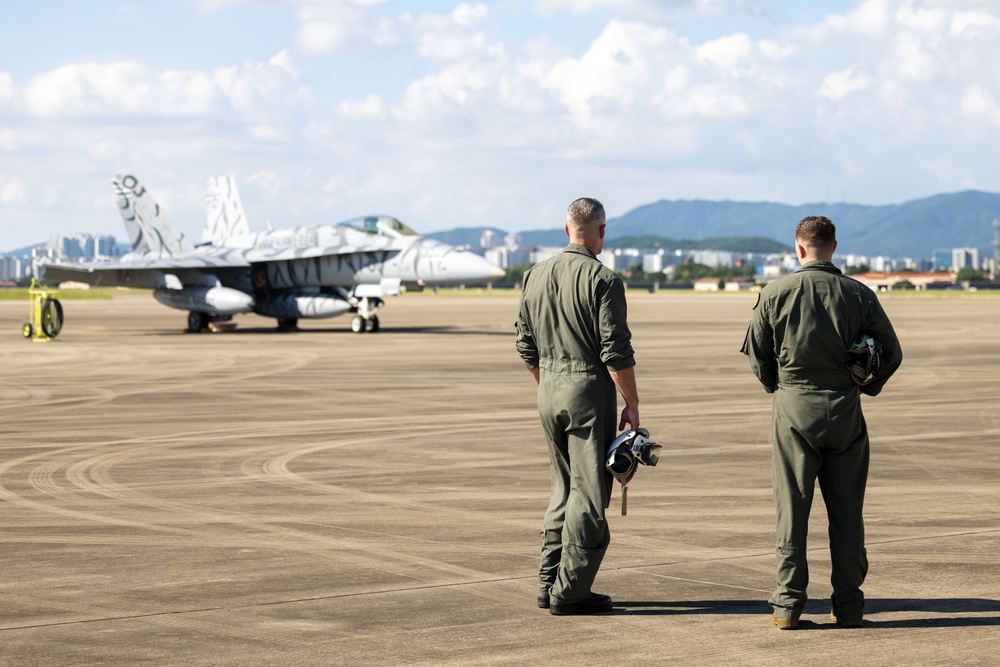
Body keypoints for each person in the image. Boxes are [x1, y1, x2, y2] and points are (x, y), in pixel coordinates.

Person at [742, 215, 902, 630]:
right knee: (848, 514)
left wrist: (779, 385)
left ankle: (788, 606)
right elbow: (892, 352)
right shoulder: (860, 295)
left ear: (799, 249)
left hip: (794, 408)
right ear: (834, 247)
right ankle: (848, 606)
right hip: (845, 409)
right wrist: (865, 385)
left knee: (791, 512)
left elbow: (758, 356)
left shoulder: (774, 293)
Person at [515, 197, 640, 616]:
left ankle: (547, 580)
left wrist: (549, 383)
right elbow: (615, 351)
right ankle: (570, 592)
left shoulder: (534, 275)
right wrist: (632, 403)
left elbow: (524, 344)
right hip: (587, 393)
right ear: (601, 230)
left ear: (566, 229)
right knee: (589, 494)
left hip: (547, 391)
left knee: (562, 489)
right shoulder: (603, 281)